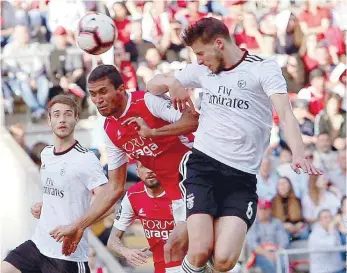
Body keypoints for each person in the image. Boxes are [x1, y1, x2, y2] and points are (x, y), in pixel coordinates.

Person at [146, 17, 321, 273]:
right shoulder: (202, 70)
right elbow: (152, 85)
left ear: (219, 43)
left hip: (242, 176)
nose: (199, 60)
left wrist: (298, 153)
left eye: (201, 53)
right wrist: (173, 83)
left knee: (224, 261)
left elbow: (285, 113)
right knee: (199, 250)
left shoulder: (262, 68)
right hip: (204, 166)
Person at [50, 65, 199, 273]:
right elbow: (114, 187)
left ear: (120, 89)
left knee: (184, 249)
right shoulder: (110, 130)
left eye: (103, 91)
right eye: (93, 94)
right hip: (177, 194)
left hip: (198, 177)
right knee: (179, 252)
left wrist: (153, 133)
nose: (98, 99)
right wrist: (79, 226)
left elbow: (193, 121)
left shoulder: (147, 101)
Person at [1, 95, 108, 273]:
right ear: (49, 120)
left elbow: (108, 203)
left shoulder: (85, 158)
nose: (62, 119)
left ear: (76, 118)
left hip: (67, 256)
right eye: (56, 115)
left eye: (67, 114)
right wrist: (45, 205)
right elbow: (62, 192)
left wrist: (78, 225)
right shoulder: (46, 154)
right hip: (38, 245)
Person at [107, 161, 177, 273]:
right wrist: (126, 252)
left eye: (154, 166)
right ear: (137, 172)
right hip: (161, 268)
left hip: (191, 266)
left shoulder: (180, 191)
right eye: (144, 166)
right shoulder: (132, 196)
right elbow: (112, 241)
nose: (149, 171)